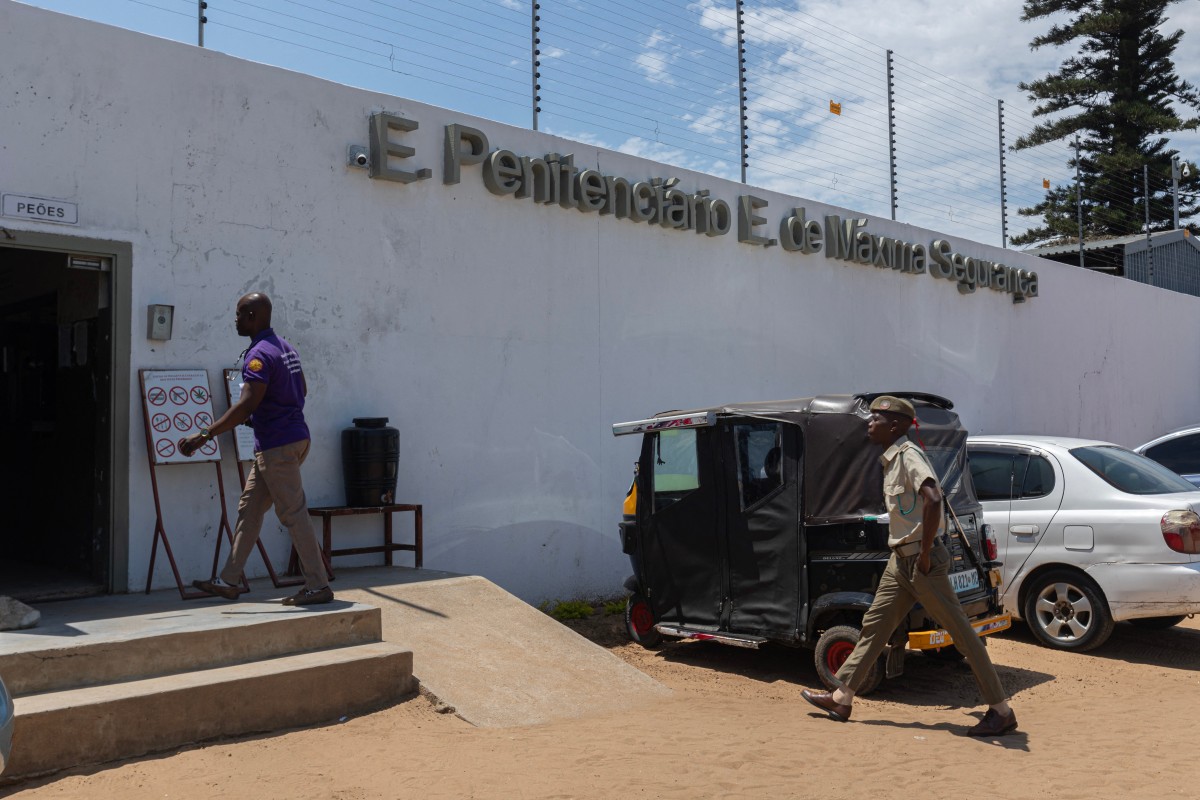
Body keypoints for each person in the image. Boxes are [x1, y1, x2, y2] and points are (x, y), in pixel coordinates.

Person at [801, 395, 1017, 737]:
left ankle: (1001, 711)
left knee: (960, 633)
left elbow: (932, 498)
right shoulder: (890, 460)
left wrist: (928, 551)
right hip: (900, 559)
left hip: (921, 560)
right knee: (875, 625)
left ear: (896, 426)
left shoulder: (909, 456)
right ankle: (842, 697)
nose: (869, 425)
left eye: (876, 420)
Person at [178, 292, 333, 606]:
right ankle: (229, 580)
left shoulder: (259, 354)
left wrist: (205, 434)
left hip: (278, 446)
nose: (234, 320)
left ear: (252, 316)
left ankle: (318, 585)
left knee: (294, 514)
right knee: (249, 509)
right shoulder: (286, 348)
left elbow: (247, 404)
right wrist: (273, 413)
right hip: (292, 439)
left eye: (238, 314)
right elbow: (300, 389)